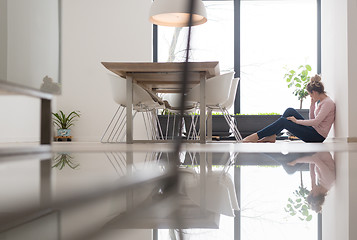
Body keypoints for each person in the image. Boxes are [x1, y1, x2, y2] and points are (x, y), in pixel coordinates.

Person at [242, 74, 336, 143]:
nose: (311, 97)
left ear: (314, 92)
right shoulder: (321, 102)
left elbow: (315, 122)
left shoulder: (328, 103)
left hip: (317, 137)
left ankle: (257, 136)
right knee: (289, 110)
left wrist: (296, 121)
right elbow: (312, 120)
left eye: (310, 95)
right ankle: (272, 136)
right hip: (313, 130)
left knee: (284, 121)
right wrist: (312, 105)